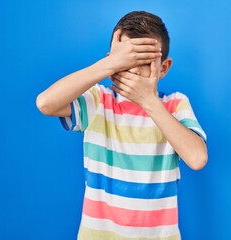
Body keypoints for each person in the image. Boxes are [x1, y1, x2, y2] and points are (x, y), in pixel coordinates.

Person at [36, 10, 208, 240]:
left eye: (144, 62)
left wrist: (148, 100)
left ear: (164, 68)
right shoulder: (99, 102)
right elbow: (45, 103)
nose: (134, 70)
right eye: (127, 61)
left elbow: (197, 158)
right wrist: (108, 65)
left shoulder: (175, 104)